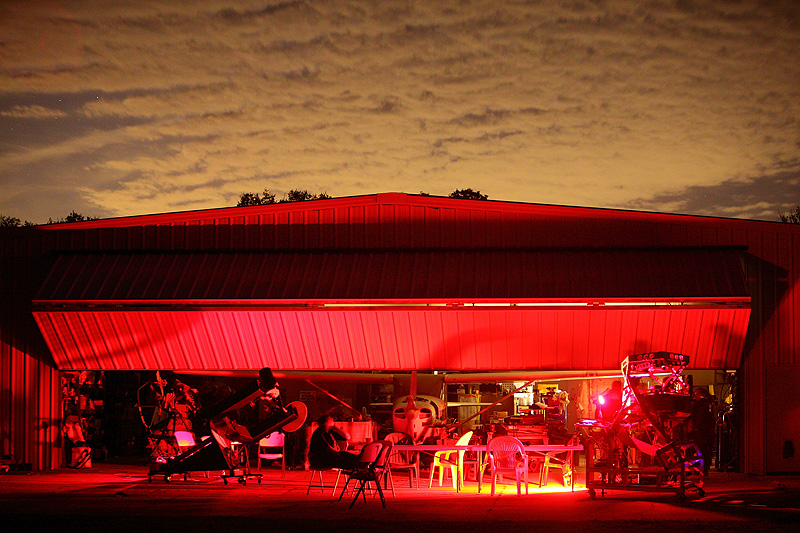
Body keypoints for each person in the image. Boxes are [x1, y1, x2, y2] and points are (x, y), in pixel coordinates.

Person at [689, 388, 715, 476]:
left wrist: (695, 427)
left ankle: (702, 469)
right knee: (704, 449)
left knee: (701, 449)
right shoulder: (707, 405)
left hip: (701, 430)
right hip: (704, 430)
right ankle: (703, 468)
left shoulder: (699, 406)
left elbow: (699, 418)